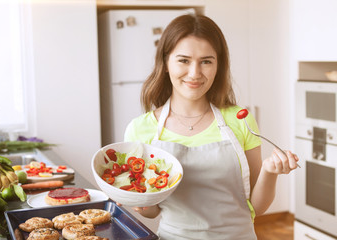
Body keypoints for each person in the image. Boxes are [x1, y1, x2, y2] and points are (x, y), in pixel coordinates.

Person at [124, 13, 299, 240]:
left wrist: (270, 171)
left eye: (206, 61)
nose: (195, 73)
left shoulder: (240, 118)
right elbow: (153, 211)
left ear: (218, 65)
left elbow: (257, 206)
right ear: (166, 63)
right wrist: (139, 202)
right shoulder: (140, 129)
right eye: (184, 60)